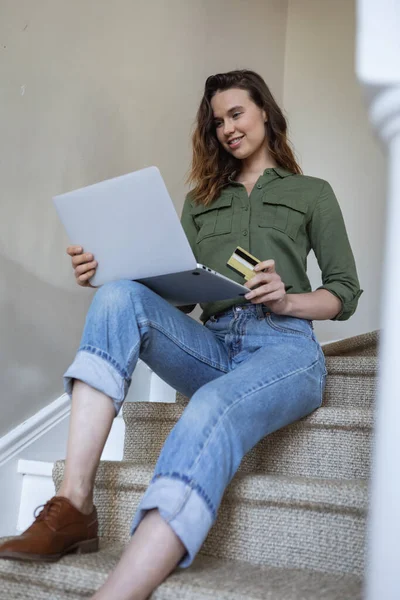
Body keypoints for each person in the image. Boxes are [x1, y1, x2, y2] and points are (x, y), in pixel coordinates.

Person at [0, 70, 362, 600]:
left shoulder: (312, 193)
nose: (227, 129)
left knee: (214, 402)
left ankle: (120, 590)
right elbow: (181, 297)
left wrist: (286, 299)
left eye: (236, 114)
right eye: (217, 122)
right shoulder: (201, 201)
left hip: (284, 346)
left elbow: (343, 292)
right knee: (119, 296)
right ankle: (75, 504)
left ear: (265, 111)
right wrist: (112, 272)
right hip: (213, 342)